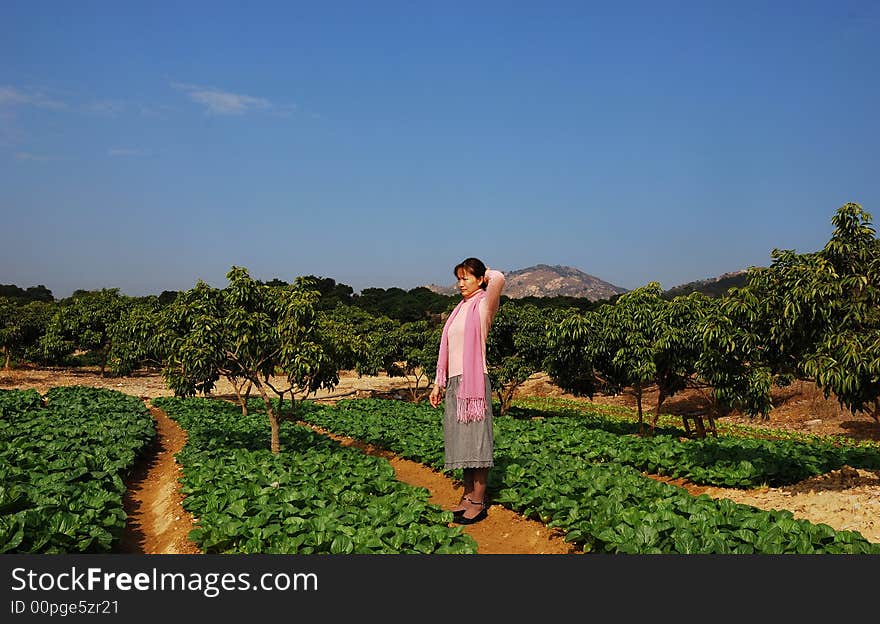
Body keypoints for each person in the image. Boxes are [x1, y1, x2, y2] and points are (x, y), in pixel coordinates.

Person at [429, 257, 506, 524]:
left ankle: (479, 500)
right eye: (458, 278)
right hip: (455, 382)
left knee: (477, 441)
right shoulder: (458, 309)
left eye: (465, 278)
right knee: (462, 442)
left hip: (474, 382)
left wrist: (486, 275)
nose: (460, 283)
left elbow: (499, 278)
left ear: (479, 278)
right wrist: (439, 383)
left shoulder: (484, 305)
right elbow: (449, 351)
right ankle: (466, 496)